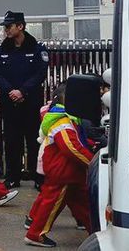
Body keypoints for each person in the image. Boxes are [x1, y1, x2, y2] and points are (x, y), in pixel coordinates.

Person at [24, 75, 98, 248]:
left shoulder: (64, 118)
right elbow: (72, 148)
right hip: (64, 172)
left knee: (82, 204)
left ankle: (95, 229)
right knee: (51, 204)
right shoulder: (63, 121)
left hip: (68, 172)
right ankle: (35, 234)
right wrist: (91, 161)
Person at [0, 11, 49, 190]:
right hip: (9, 103)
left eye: (9, 27)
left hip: (30, 102)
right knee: (11, 141)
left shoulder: (37, 49)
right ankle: (12, 176)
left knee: (34, 141)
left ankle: (37, 176)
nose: (6, 31)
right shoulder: (1, 50)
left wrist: (22, 91)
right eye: (5, 27)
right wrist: (11, 91)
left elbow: (40, 74)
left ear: (20, 26)